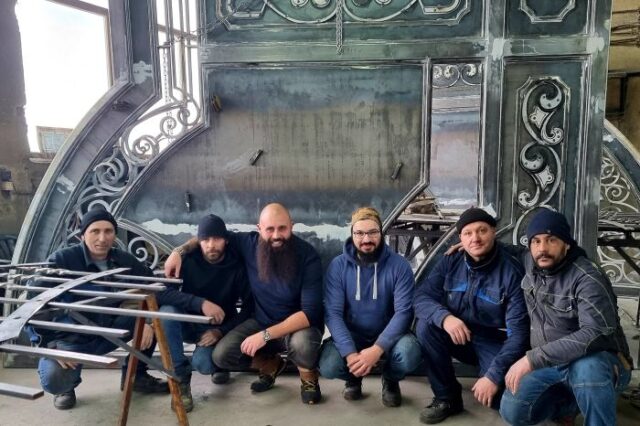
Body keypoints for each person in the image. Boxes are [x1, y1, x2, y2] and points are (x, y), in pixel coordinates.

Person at [165, 203, 324, 404]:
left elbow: (310, 313)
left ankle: (308, 377)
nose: (276, 235)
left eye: (282, 228)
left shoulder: (308, 256)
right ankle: (269, 363)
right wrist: (178, 251)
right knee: (221, 356)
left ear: (292, 226)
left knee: (302, 344)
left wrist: (265, 335)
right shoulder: (247, 243)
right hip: (260, 320)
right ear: (259, 229)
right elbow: (210, 236)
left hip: (297, 326)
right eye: (270, 229)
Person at [500, 209, 633, 425]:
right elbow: (506, 249)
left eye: (551, 240)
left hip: (596, 362)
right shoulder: (531, 261)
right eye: (536, 241)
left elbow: (594, 332)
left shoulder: (587, 277)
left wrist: (531, 359)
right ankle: (569, 406)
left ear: (567, 244)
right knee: (513, 411)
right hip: (551, 364)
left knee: (588, 369)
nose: (542, 248)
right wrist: (469, 245)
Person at [29, 208, 168, 410]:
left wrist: (147, 321)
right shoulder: (62, 260)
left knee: (160, 318)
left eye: (108, 231)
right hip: (72, 338)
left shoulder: (123, 260)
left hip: (111, 330)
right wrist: (50, 347)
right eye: (95, 231)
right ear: (83, 235)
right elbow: (33, 306)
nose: (102, 238)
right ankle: (66, 388)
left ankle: (136, 375)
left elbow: (153, 287)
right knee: (55, 379)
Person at [414, 207, 529, 424]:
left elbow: (519, 335)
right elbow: (421, 297)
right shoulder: (451, 260)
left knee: (503, 403)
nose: (475, 238)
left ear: (494, 231)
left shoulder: (511, 271)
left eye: (482, 231)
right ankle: (447, 398)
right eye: (468, 233)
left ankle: (561, 404)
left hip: (495, 342)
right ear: (461, 238)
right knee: (427, 326)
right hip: (460, 334)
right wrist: (445, 318)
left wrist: (494, 375)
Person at [318, 207, 422, 407]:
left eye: (373, 232)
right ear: (352, 234)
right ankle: (354, 376)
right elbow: (333, 314)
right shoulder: (338, 266)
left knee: (410, 354)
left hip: (389, 335)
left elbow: (404, 312)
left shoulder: (399, 266)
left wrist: (377, 349)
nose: (366, 239)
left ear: (381, 233)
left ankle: (390, 378)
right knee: (328, 366)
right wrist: (350, 353)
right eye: (359, 233)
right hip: (353, 335)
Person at [157, 214, 253, 412]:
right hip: (188, 322)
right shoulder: (187, 260)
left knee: (204, 364)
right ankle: (180, 378)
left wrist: (221, 331)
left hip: (217, 326)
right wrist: (199, 303)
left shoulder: (237, 266)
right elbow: (161, 294)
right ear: (198, 241)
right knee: (167, 312)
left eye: (216, 239)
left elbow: (250, 308)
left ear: (226, 240)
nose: (211, 245)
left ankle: (219, 364)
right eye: (205, 240)